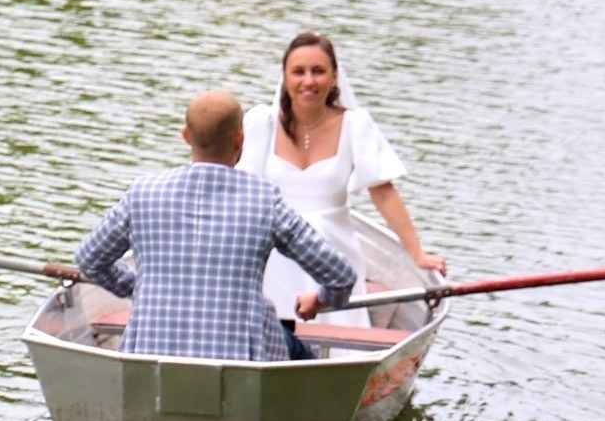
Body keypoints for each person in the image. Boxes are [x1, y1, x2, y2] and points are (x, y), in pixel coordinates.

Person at [54, 89, 358, 363]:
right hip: (242, 364)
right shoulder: (265, 201)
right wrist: (320, 300)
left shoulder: (142, 193)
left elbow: (89, 259)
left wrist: (137, 287)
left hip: (148, 356)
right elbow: (341, 276)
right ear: (240, 139)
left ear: (186, 135)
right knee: (300, 352)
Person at [239, 31, 444, 329]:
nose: (308, 81)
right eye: (298, 72)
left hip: (332, 255)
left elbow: (383, 192)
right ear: (284, 77)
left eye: (318, 71)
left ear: (334, 76)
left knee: (336, 311)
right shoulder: (261, 123)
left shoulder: (354, 124)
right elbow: (235, 189)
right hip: (275, 248)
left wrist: (418, 254)